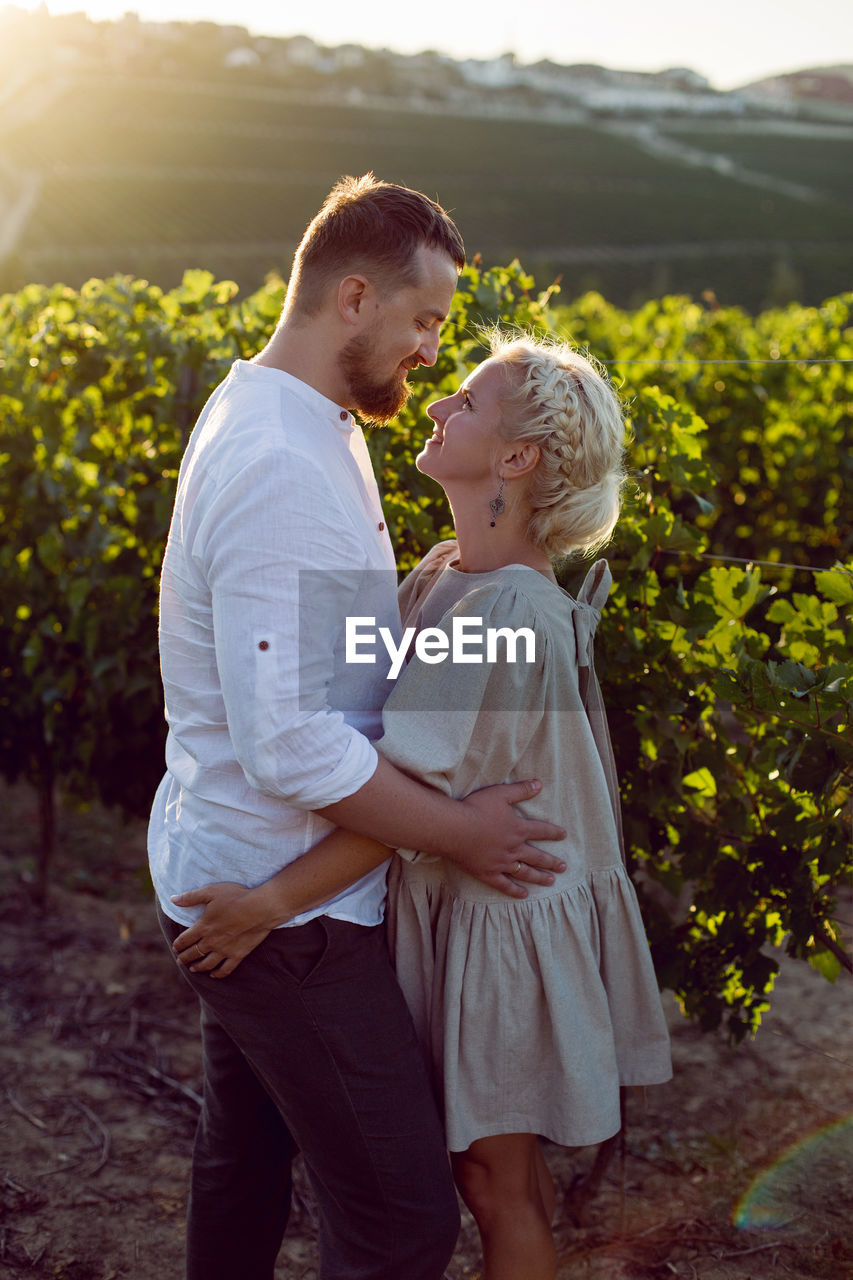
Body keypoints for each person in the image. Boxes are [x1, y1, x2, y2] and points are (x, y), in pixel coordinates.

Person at [171, 331, 673, 1280]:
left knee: (495, 1188)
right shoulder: (445, 573)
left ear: (516, 459)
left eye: (468, 403)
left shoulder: (509, 613)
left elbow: (405, 799)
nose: (441, 405)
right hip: (457, 915)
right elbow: (343, 716)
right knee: (483, 1180)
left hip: (501, 931)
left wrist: (269, 906)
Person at [149, 173, 568, 1280]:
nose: (432, 351)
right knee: (399, 1220)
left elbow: (334, 672)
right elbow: (296, 745)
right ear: (352, 295)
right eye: (424, 318)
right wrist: (458, 829)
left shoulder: (287, 415)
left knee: (240, 1163)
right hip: (288, 916)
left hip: (242, 872)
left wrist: (487, 635)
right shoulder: (284, 460)